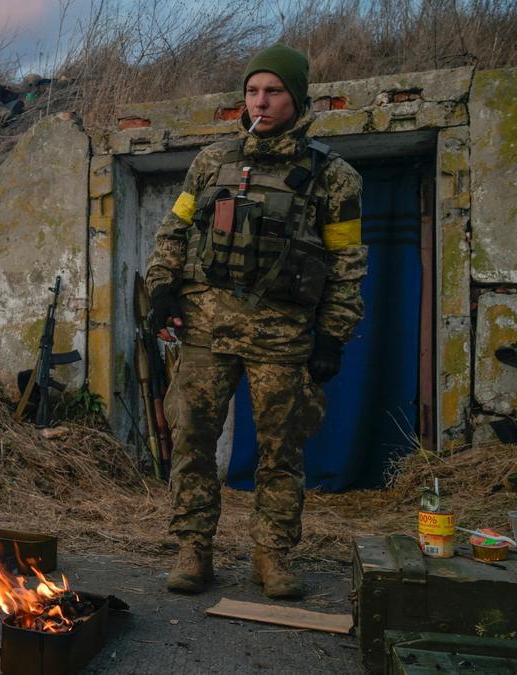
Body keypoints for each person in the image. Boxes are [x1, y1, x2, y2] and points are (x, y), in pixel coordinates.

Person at [145, 44, 366, 599]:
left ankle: (273, 557)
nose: (260, 102)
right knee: (193, 441)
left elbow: (347, 265)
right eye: (252, 91)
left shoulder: (333, 177)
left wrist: (333, 335)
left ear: (296, 98)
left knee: (282, 451)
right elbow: (174, 231)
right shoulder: (210, 162)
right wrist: (162, 288)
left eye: (273, 91)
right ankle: (193, 550)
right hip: (205, 329)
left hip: (282, 336)